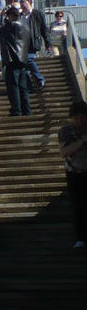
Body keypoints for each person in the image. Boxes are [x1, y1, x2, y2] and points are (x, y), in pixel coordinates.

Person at [0, 6, 31, 116]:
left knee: (13, 86)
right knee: (23, 87)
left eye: (7, 16)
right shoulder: (25, 26)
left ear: (11, 16)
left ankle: (16, 110)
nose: (7, 18)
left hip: (12, 60)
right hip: (23, 60)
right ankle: (27, 111)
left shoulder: (10, 26)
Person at [58, 101, 87, 249]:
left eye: (82, 117)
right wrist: (82, 141)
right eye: (76, 118)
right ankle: (81, 238)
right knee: (79, 206)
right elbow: (64, 152)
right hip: (74, 173)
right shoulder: (66, 131)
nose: (79, 121)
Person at [20, 0, 51, 89]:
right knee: (23, 65)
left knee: (28, 59)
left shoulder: (37, 13)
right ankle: (29, 86)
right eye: (20, 2)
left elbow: (44, 29)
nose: (21, 4)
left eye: (23, 1)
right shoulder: (21, 16)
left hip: (33, 41)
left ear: (29, 1)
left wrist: (47, 43)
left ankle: (40, 79)